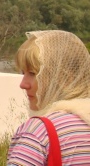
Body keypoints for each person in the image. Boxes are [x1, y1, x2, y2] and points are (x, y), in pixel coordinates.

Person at [7, 30, 90, 165]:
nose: (23, 84)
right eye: (23, 73)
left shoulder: (39, 132)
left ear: (64, 78)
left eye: (33, 73)